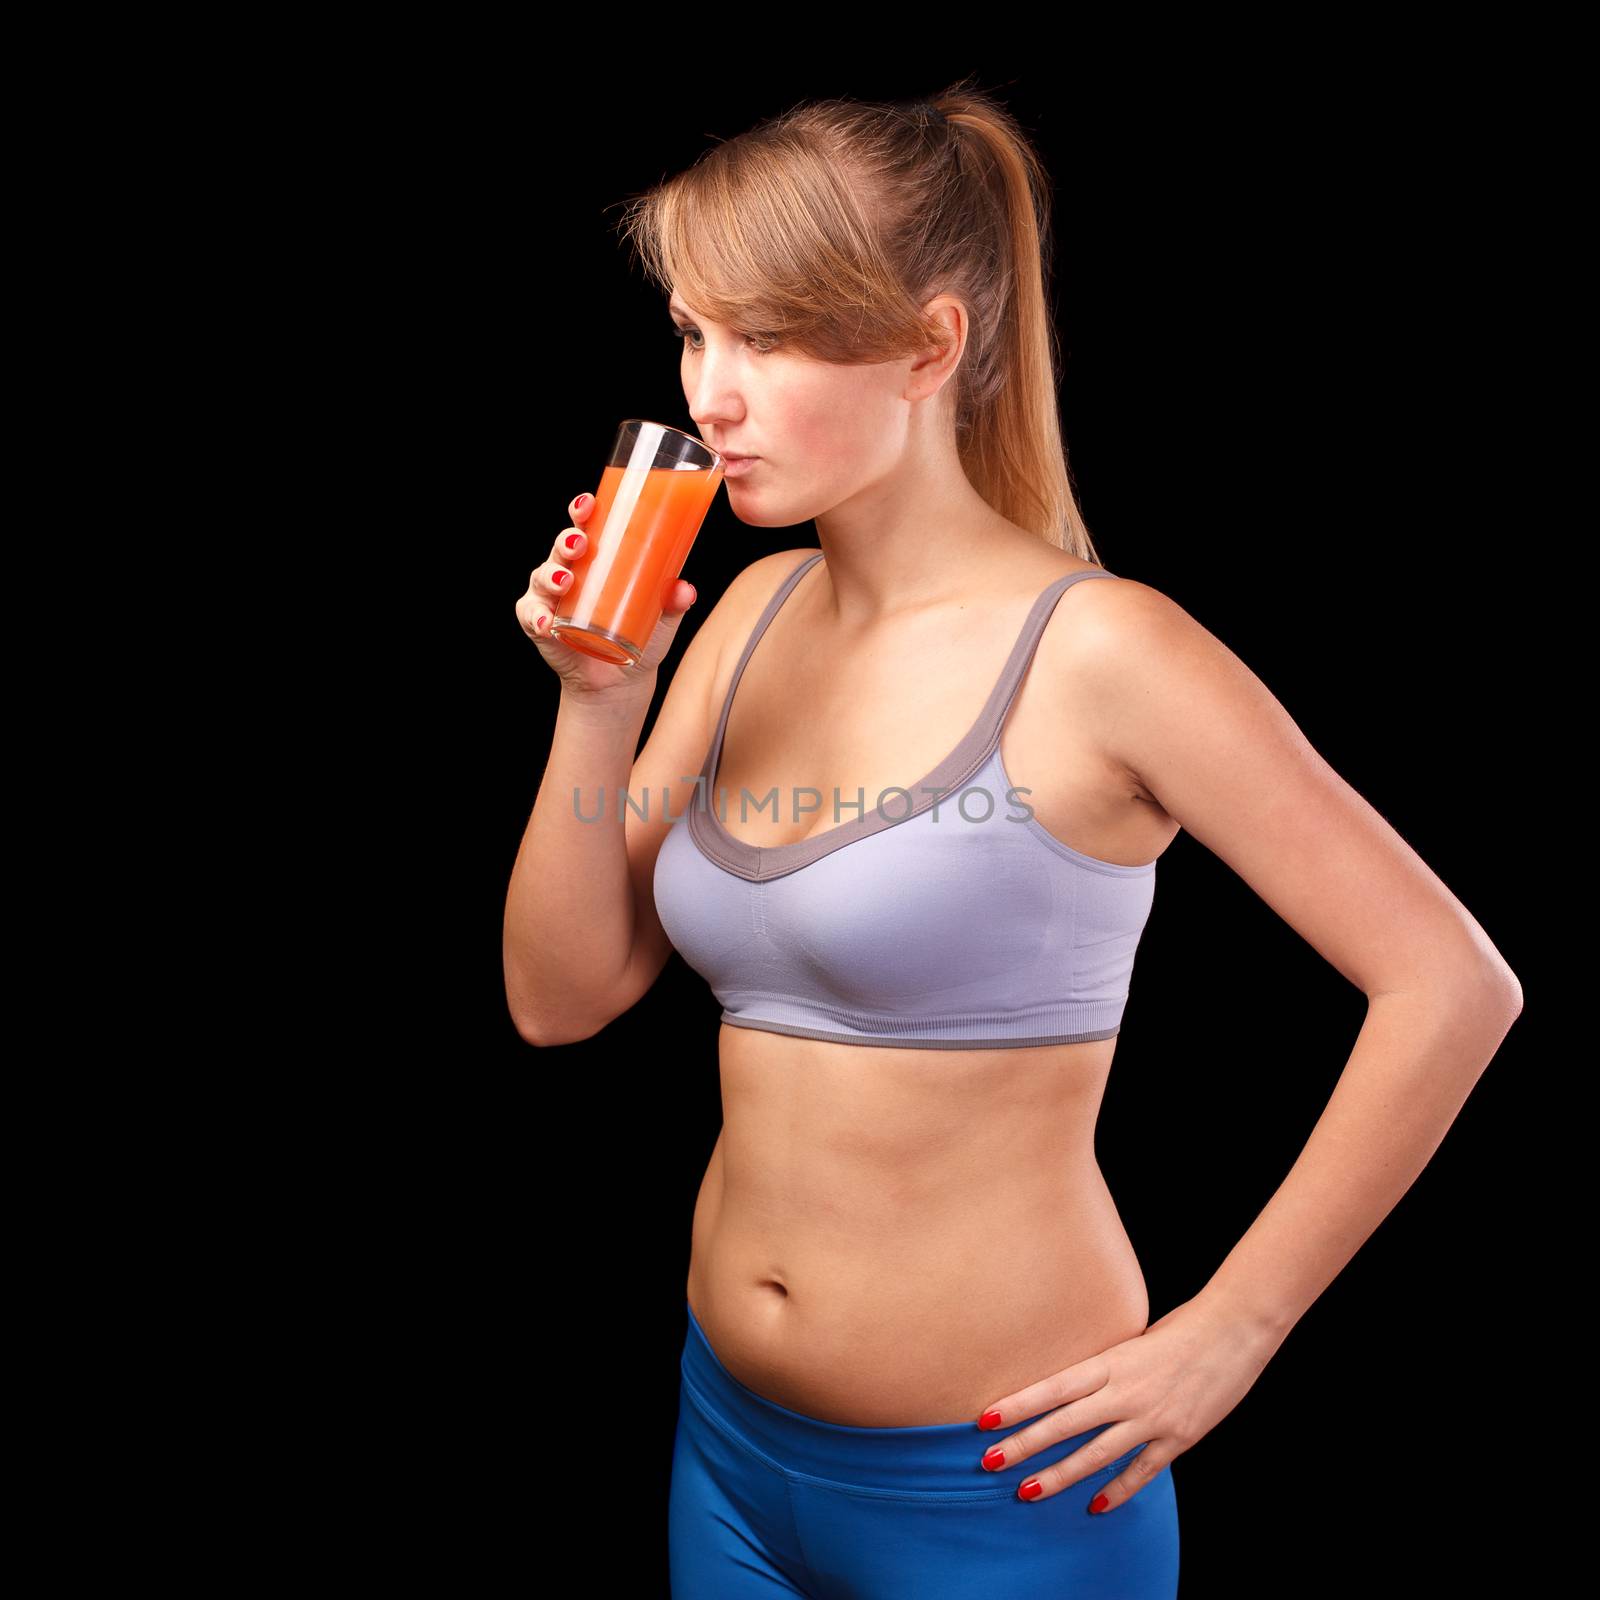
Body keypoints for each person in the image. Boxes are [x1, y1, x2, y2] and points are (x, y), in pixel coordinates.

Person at [504, 83, 1523, 1599]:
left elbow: (1453, 984)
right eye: (694, 335)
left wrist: (1232, 1330)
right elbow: (559, 998)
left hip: (998, 1486)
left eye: (770, 341)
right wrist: (604, 699)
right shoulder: (751, 620)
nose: (712, 396)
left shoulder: (1106, 654)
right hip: (724, 1446)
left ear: (931, 343)